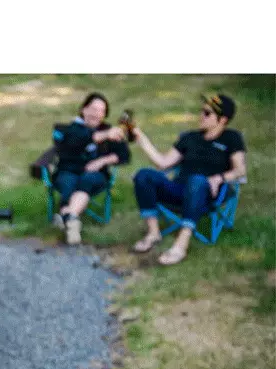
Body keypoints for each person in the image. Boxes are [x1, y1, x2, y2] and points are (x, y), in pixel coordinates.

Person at [131, 94, 247, 265]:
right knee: (143, 175)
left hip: (207, 194)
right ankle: (153, 233)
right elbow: (163, 163)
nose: (201, 115)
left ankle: (180, 245)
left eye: (207, 113)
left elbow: (240, 170)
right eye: (202, 111)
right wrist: (141, 139)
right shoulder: (190, 137)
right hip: (179, 189)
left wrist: (219, 178)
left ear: (222, 120)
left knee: (197, 180)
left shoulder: (232, 138)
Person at [51, 93, 130, 245]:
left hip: (95, 175)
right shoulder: (70, 129)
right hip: (68, 171)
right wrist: (106, 135)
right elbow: (79, 139)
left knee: (87, 179)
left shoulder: (108, 129)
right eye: (93, 109)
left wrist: (102, 160)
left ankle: (67, 217)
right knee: (68, 182)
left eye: (101, 111)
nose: (97, 114)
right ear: (83, 109)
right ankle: (72, 221)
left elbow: (124, 155)